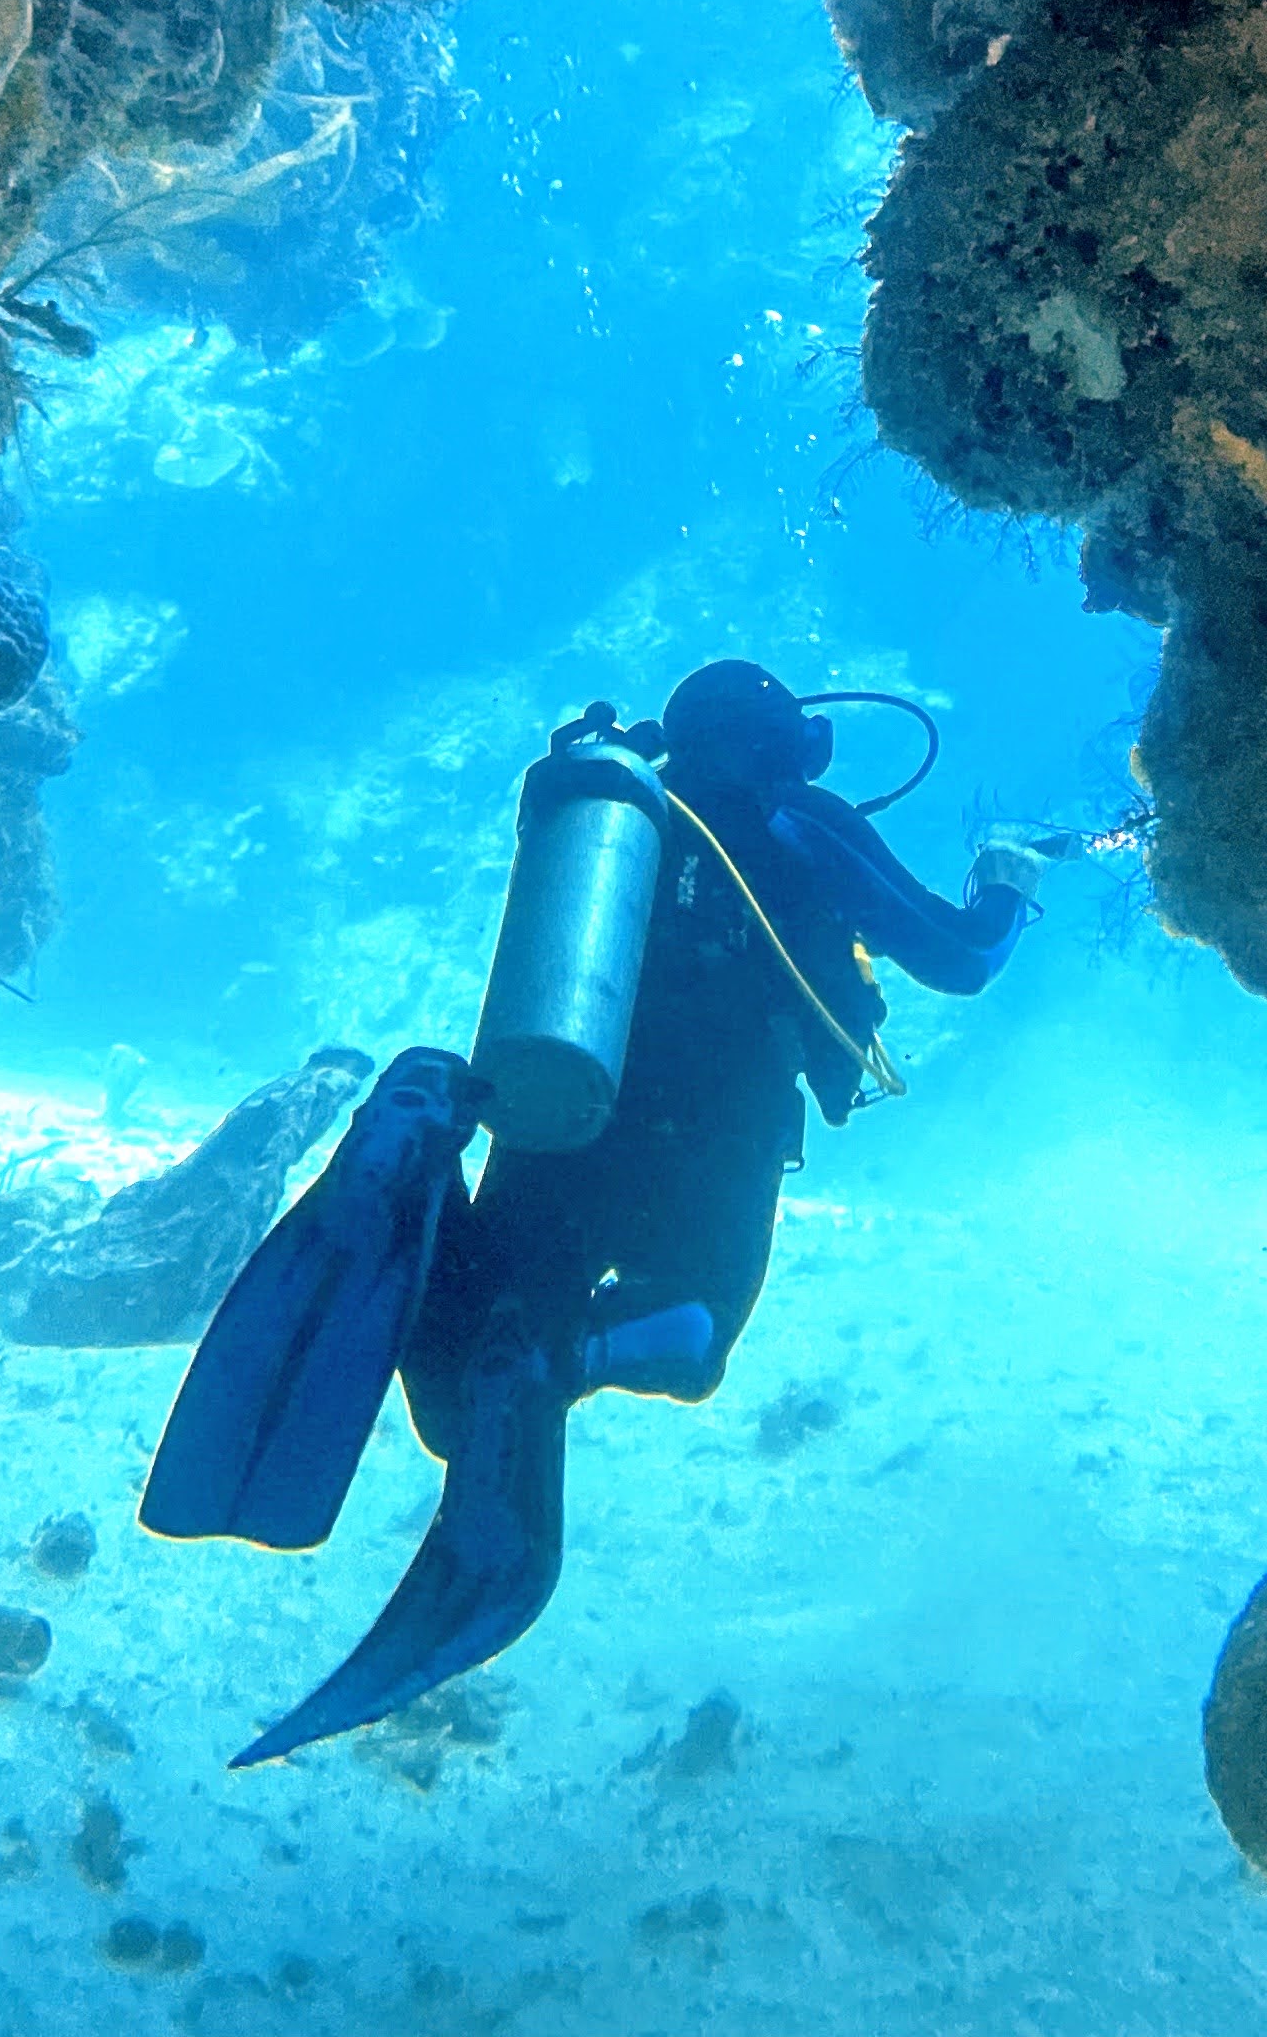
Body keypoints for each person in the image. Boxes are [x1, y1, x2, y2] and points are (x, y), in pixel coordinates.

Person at [140, 659, 1042, 1765]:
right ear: (794, 751)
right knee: (694, 1336)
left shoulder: (620, 817)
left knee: (465, 1408)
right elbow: (962, 960)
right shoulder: (801, 826)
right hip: (713, 1145)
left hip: (560, 1108)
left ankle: (423, 1136)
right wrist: (1006, 885)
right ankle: (563, 1351)